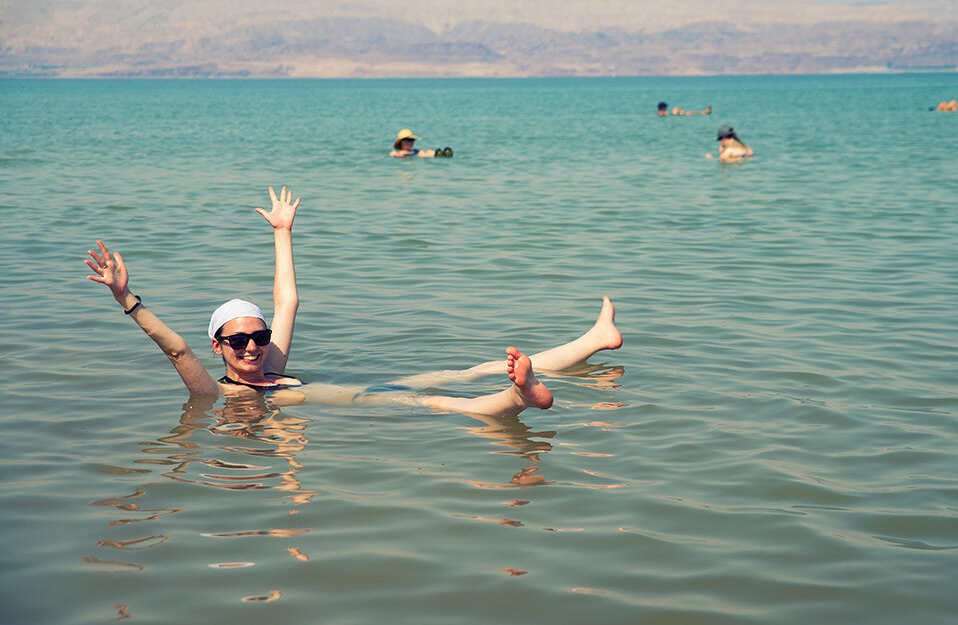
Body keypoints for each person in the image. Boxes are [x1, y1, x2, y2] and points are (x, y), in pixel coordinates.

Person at [84, 187, 622, 417]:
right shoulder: (217, 391)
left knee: (467, 370)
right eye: (239, 339)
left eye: (259, 335)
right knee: (439, 405)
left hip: (367, 388)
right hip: (358, 402)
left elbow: (287, 300)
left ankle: (595, 341)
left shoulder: (271, 363)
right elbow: (177, 350)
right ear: (218, 345)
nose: (252, 346)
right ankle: (522, 397)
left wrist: (282, 233)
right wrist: (126, 297)